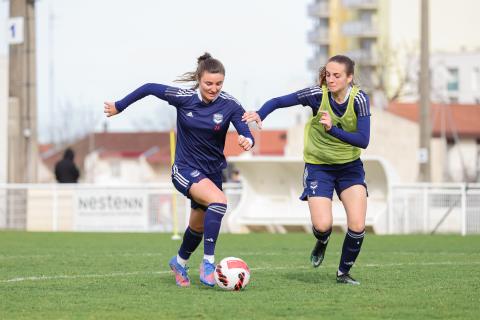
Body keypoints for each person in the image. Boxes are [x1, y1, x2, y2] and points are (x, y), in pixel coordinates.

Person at [104, 53, 255, 288]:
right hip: (185, 169)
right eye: (208, 83)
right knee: (220, 202)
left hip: (212, 173)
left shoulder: (230, 104)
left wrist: (248, 140)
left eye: (218, 84)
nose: (214, 88)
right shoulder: (183, 97)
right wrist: (120, 106)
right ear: (198, 79)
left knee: (197, 225)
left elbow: (245, 129)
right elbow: (149, 87)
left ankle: (179, 261)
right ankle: (208, 263)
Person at [243, 55, 370, 285]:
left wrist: (332, 130)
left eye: (337, 75)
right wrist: (261, 113)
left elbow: (363, 140)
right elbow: (279, 101)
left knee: (358, 225)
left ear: (349, 77)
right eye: (328, 74)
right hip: (318, 166)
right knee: (322, 225)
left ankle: (343, 273)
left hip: (350, 168)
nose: (330, 79)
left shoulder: (359, 99)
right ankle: (322, 241)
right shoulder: (316, 95)